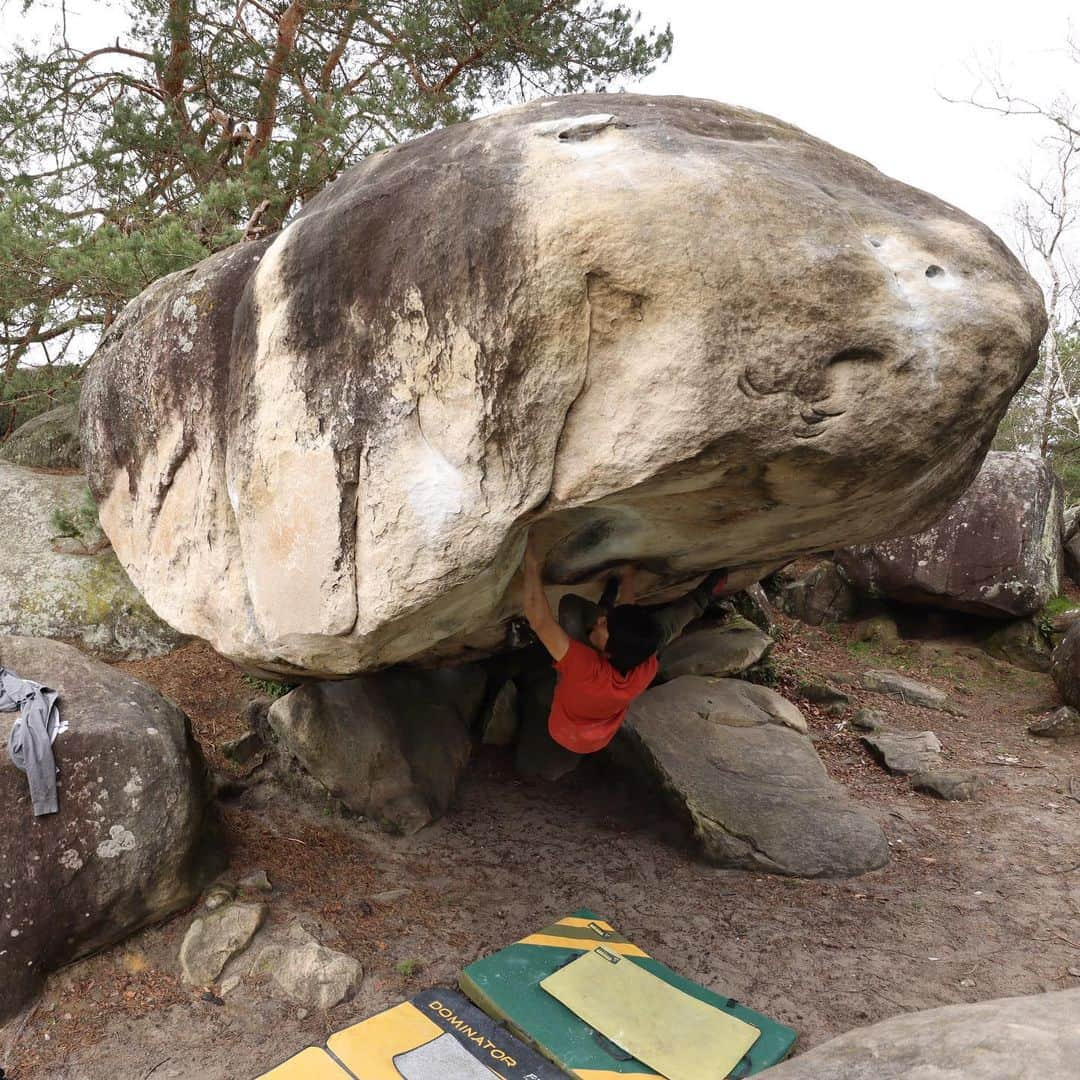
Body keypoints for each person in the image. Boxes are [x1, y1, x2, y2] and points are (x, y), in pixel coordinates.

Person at [520, 533, 730, 758]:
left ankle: (605, 602)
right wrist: (628, 575)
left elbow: (539, 620)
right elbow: (630, 616)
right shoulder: (645, 667)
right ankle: (706, 592)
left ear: (606, 654)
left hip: (565, 730)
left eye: (605, 623)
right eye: (606, 619)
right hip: (601, 732)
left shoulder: (585, 668)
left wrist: (532, 566)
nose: (601, 621)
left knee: (571, 609)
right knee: (666, 626)